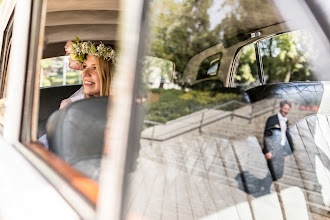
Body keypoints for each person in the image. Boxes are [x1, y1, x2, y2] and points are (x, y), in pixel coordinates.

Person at [39, 37, 115, 149]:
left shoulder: (123, 109)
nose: (85, 74)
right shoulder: (71, 108)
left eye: (95, 68)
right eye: (85, 67)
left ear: (111, 75)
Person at [263, 100, 293, 180]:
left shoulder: (286, 121)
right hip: (273, 149)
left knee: (278, 172)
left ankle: (272, 186)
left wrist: (286, 152)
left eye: (288, 109)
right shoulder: (272, 119)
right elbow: (266, 135)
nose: (286, 111)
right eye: (285, 108)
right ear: (280, 107)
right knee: (271, 171)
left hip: (282, 150)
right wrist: (266, 151)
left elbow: (285, 136)